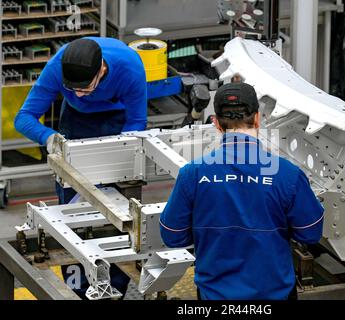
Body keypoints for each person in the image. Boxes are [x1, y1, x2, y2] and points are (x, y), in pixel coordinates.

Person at [159, 82, 324, 300]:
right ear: (257, 118)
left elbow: (172, 235)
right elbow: (310, 233)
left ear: (216, 124)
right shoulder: (288, 174)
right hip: (276, 294)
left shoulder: (193, 174)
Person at [14, 37, 148, 299]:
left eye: (85, 89)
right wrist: (49, 138)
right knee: (72, 212)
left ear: (101, 71)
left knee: (117, 216)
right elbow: (24, 117)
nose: (77, 94)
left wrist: (115, 158)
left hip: (117, 123)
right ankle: (77, 289)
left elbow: (136, 121)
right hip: (75, 124)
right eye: (71, 89)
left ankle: (114, 289)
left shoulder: (130, 68)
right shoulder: (58, 66)